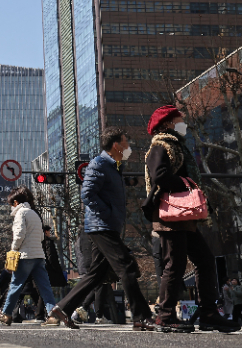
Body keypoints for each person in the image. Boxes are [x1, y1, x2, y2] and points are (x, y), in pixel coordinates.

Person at [143, 105, 241, 333]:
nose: (183, 124)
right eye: (179, 120)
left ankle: (208, 312)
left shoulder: (178, 146)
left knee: (205, 261)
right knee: (174, 265)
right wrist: (188, 185)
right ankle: (165, 316)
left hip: (184, 217)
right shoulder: (160, 145)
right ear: (167, 123)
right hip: (171, 215)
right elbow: (159, 176)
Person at [47, 127, 155, 331]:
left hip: (107, 226)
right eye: (126, 142)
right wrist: (108, 213)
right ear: (116, 145)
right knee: (127, 266)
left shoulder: (114, 166)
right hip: (101, 226)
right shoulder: (99, 163)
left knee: (96, 274)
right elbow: (87, 194)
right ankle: (141, 317)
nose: (128, 147)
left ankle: (62, 307)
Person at [0, 187, 57, 326]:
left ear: (15, 202)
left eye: (11, 204)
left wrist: (13, 249)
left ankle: (6, 314)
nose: (11, 207)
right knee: (44, 287)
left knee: (15, 285)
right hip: (38, 256)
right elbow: (41, 236)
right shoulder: (34, 213)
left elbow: (19, 235)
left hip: (24, 256)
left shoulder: (20, 214)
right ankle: (52, 315)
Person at [38, 225, 67, 320]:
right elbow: (51, 257)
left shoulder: (38, 241)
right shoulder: (48, 242)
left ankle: (41, 314)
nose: (50, 233)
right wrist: (57, 269)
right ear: (46, 232)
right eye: (49, 231)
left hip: (41, 269)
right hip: (49, 271)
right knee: (46, 291)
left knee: (43, 292)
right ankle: (49, 314)